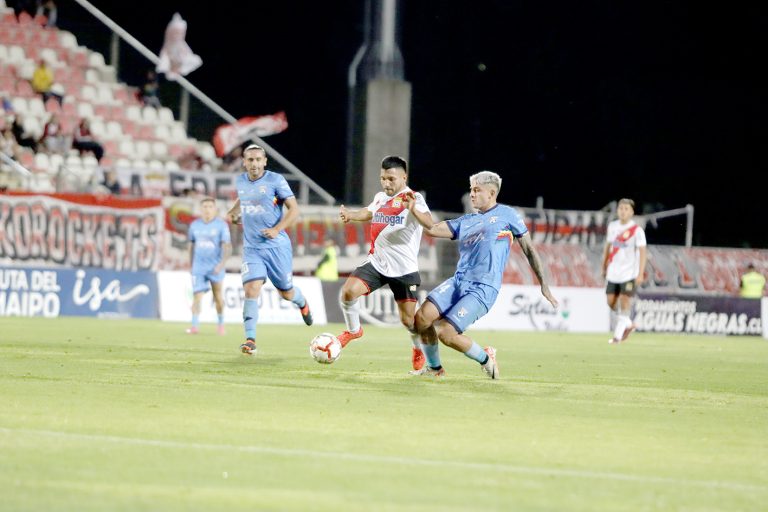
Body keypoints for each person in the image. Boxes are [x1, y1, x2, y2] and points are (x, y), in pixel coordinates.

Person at [403, 170, 558, 379]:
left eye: (477, 190)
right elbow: (431, 229)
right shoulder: (467, 220)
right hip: (458, 282)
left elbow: (529, 250)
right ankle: (434, 368)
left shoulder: (508, 215)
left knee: (446, 333)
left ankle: (486, 357)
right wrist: (413, 209)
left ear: (492, 192)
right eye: (471, 190)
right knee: (421, 319)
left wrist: (544, 284)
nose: (472, 194)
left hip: (483, 288)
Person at [335, 155, 431, 371]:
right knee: (348, 292)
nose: (386, 184)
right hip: (377, 263)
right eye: (383, 178)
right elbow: (369, 212)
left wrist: (413, 208)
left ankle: (417, 349)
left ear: (404, 177)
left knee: (408, 322)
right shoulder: (380, 197)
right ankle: (353, 331)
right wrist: (351, 215)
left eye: (391, 179)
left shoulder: (413, 198)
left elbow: (430, 223)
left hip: (404, 270)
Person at [225, 144, 313, 355]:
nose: (254, 164)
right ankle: (250, 339)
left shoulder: (275, 180)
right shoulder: (241, 181)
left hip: (276, 247)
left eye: (258, 160)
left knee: (286, 292)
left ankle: (302, 302)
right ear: (244, 162)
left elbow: (295, 210)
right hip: (252, 248)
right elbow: (243, 198)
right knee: (251, 288)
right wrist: (234, 213)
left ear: (264, 161)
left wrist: (277, 229)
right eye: (250, 160)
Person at [601, 198, 647, 344]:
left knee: (624, 300)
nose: (623, 211)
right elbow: (608, 248)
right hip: (613, 272)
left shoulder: (637, 231)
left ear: (632, 212)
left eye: (626, 209)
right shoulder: (612, 227)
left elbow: (643, 252)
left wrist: (640, 273)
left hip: (629, 273)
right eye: (621, 208)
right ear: (617, 210)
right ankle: (627, 323)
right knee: (611, 302)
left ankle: (618, 336)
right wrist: (604, 266)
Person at [187, 197, 232, 335]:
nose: (207, 209)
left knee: (218, 296)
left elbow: (227, 246)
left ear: (215, 209)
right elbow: (191, 245)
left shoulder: (221, 225)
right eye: (204, 206)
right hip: (198, 267)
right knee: (197, 296)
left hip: (215, 267)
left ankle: (220, 324)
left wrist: (222, 264)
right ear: (201, 209)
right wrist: (191, 264)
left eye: (210, 206)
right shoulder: (194, 225)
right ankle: (194, 326)